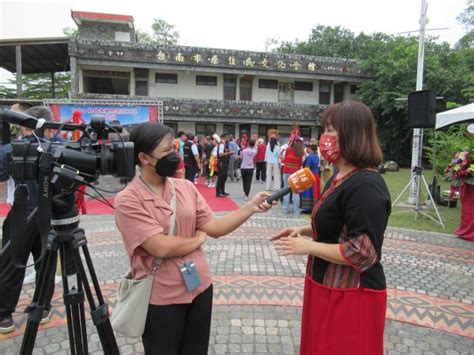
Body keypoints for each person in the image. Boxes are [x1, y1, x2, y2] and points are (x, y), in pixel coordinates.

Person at [114, 123, 273, 354]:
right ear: (144, 157)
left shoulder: (185, 187)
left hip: (199, 288)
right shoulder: (128, 199)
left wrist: (250, 207)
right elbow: (159, 246)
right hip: (161, 298)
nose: (174, 155)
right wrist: (197, 240)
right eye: (167, 150)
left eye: (174, 148)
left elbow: (215, 227)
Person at [272, 101, 390, 355]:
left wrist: (308, 246)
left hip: (351, 294)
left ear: (353, 134)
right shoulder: (340, 175)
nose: (324, 138)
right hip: (324, 286)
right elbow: (336, 223)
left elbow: (363, 252)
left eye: (331, 130)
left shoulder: (366, 185)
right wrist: (304, 231)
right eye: (325, 129)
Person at [0, 106, 64, 334]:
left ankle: (4, 315)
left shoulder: (10, 149)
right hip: (52, 216)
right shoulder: (61, 150)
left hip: (21, 213)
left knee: (11, 263)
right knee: (44, 263)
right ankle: (43, 306)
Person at [281, 132, 305, 215]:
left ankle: (285, 210)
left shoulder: (287, 150)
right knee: (296, 193)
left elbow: (283, 160)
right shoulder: (301, 152)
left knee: (286, 191)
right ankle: (296, 210)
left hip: (286, 172)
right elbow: (302, 163)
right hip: (296, 173)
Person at [300, 139, 321, 212]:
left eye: (308, 147)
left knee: (308, 191)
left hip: (310, 174)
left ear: (310, 148)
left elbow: (307, 168)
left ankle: (308, 208)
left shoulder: (309, 157)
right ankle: (314, 207)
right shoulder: (316, 156)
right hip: (316, 175)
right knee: (315, 191)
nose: (306, 148)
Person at [216, 133, 232, 197]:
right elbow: (220, 154)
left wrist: (227, 151)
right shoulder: (222, 144)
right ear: (225, 137)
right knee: (221, 177)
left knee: (224, 177)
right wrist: (228, 153)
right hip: (221, 162)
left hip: (223, 162)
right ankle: (218, 192)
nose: (229, 138)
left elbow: (222, 151)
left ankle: (222, 191)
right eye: (228, 136)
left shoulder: (223, 144)